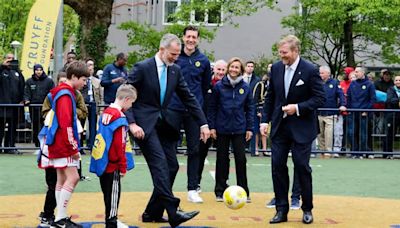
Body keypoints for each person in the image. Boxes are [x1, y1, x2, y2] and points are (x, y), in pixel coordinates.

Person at [125, 33, 210, 228]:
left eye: (177, 54)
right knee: (160, 165)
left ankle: (152, 213)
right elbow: (125, 92)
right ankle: (173, 211)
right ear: (162, 49)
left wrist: (203, 124)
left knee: (171, 167)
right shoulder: (142, 68)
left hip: (165, 125)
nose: (175, 58)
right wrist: (131, 124)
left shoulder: (175, 70)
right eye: (172, 54)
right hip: (143, 126)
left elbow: (189, 97)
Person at [260, 35, 325, 224]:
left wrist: (297, 108)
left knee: (302, 167)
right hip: (280, 127)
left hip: (302, 127)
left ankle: (307, 208)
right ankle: (281, 210)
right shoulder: (277, 68)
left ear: (296, 51)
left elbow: (319, 98)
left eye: (285, 53)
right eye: (280, 53)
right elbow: (271, 97)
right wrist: (264, 121)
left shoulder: (310, 70)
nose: (282, 56)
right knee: (277, 166)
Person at [37, 71, 88, 227]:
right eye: (84, 79)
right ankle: (60, 218)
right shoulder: (66, 94)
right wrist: (73, 147)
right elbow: (66, 123)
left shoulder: (60, 92)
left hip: (55, 142)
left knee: (61, 180)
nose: (85, 83)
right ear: (74, 77)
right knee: (73, 178)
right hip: (62, 143)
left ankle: (59, 217)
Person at [171, 25, 212, 203]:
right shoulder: (174, 57)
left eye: (194, 37)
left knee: (195, 149)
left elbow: (205, 88)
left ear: (198, 39)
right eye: (188, 36)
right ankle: (166, 189)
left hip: (194, 111)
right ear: (183, 37)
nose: (191, 40)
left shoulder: (203, 61)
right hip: (173, 108)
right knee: (170, 148)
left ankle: (192, 188)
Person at [208, 57, 254, 202]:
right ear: (228, 68)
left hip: (239, 129)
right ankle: (220, 191)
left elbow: (250, 109)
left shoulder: (245, 88)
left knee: (241, 160)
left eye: (237, 67)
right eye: (232, 67)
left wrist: (249, 128)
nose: (234, 70)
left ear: (241, 70)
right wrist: (212, 127)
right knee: (222, 160)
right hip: (222, 128)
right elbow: (212, 108)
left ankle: (244, 191)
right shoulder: (219, 86)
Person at [90, 84, 137, 228]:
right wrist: (122, 166)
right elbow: (120, 145)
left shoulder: (106, 112)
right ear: (127, 99)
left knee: (107, 193)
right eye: (131, 103)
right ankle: (112, 221)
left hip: (101, 159)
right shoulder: (120, 117)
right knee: (113, 195)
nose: (130, 106)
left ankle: (112, 219)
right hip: (112, 164)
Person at [198, 59, 227, 192]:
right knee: (200, 154)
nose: (220, 72)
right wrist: (203, 125)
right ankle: (195, 183)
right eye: (218, 69)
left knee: (223, 156)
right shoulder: (206, 84)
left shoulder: (228, 85)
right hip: (205, 125)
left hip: (221, 126)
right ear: (214, 69)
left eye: (223, 70)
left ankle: (222, 184)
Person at [23, 64, 55, 151]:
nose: (39, 72)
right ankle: (37, 145)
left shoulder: (49, 81)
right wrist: (26, 100)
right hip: (33, 108)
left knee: (46, 125)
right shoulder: (29, 81)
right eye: (37, 70)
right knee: (36, 126)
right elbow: (26, 92)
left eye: (40, 70)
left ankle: (46, 144)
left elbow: (52, 92)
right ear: (34, 71)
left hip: (46, 108)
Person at [347, 67, 376, 158]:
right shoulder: (352, 84)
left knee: (363, 134)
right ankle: (354, 152)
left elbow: (372, 99)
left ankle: (363, 152)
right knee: (352, 133)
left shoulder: (369, 84)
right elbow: (349, 97)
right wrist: (349, 109)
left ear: (363, 73)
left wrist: (366, 110)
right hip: (353, 112)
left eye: (357, 72)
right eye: (355, 72)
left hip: (364, 113)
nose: (355, 73)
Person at [317, 65, 346, 157]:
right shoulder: (317, 82)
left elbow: (341, 95)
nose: (320, 74)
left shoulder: (334, 82)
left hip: (330, 113)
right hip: (319, 112)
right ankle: (321, 151)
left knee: (328, 134)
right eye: (320, 73)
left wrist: (342, 105)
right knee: (319, 133)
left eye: (322, 73)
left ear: (328, 73)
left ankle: (328, 152)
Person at [0, 53, 25, 154]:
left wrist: (23, 99)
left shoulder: (17, 73)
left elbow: (23, 87)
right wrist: (2, 66)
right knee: (0, 127)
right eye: (8, 58)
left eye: (12, 59)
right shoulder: (1, 71)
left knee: (12, 128)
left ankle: (9, 146)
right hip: (2, 106)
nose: (10, 60)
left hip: (15, 106)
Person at [243, 61, 261, 156]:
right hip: (240, 107)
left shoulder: (257, 80)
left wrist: (258, 109)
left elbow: (259, 96)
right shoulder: (240, 78)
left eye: (252, 66)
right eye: (248, 66)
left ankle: (254, 149)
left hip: (252, 107)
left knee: (254, 127)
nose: (250, 68)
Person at [383, 75, 400, 158]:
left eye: (399, 80)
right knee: (390, 134)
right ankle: (388, 153)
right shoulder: (391, 89)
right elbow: (390, 100)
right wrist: (398, 100)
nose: (398, 82)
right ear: (394, 82)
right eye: (396, 80)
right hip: (392, 115)